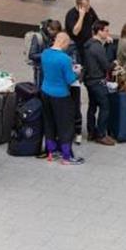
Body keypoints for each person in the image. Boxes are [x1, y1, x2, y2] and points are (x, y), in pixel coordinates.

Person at [40, 32, 83, 164]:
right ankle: (66, 156)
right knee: (65, 126)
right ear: (64, 42)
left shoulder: (45, 53)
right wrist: (78, 73)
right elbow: (70, 80)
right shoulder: (65, 59)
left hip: (45, 91)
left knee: (49, 123)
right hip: (60, 95)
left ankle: (51, 152)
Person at [82, 20, 116, 145]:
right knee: (105, 106)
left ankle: (91, 132)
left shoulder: (88, 44)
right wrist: (114, 64)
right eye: (106, 30)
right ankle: (101, 134)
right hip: (97, 80)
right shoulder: (97, 47)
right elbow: (106, 65)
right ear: (99, 31)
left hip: (89, 79)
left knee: (92, 106)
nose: (108, 33)